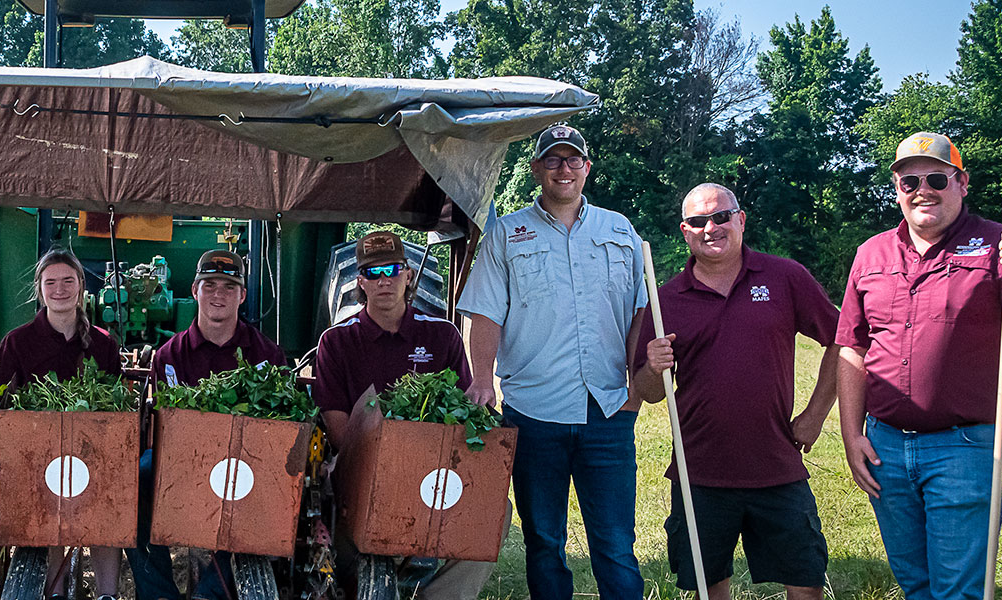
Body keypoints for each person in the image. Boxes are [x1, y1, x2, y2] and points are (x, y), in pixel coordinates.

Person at [835, 132, 1002, 600]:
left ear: (961, 183)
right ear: (896, 187)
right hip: (885, 446)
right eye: (909, 180)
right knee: (915, 582)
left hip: (966, 446)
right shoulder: (870, 253)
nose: (923, 189)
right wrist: (851, 435)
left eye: (937, 178)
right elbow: (852, 348)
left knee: (958, 589)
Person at [455, 124, 648, 600]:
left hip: (608, 411)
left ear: (587, 167)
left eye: (573, 159)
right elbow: (485, 312)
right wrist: (483, 379)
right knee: (544, 542)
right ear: (537, 168)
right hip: (534, 412)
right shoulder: (506, 234)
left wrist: (636, 389)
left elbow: (641, 311)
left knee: (616, 544)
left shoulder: (620, 230)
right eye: (554, 160)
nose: (564, 168)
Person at [631, 184, 840, 600]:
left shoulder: (785, 278)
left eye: (721, 217)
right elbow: (648, 391)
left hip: (777, 466)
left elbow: (842, 340)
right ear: (684, 231)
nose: (711, 228)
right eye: (697, 222)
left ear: (740, 220)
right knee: (709, 589)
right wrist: (654, 366)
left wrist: (815, 415)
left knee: (806, 581)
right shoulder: (665, 300)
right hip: (700, 473)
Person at [314, 230, 492, 600]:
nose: (384, 281)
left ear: (408, 275)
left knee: (493, 511)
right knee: (339, 505)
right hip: (363, 469)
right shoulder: (336, 342)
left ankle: (439, 595)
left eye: (393, 270)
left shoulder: (442, 336)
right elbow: (337, 430)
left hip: (433, 469)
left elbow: (459, 416)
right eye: (373, 273)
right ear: (360, 282)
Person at [147, 249, 288, 600]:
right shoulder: (169, 356)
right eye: (209, 285)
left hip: (247, 467)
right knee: (132, 480)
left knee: (263, 492)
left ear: (242, 295)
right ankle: (159, 591)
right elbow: (164, 427)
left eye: (229, 286)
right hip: (183, 463)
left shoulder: (268, 357)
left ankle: (209, 592)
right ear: (194, 291)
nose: (218, 294)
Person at [0, 250, 123, 600]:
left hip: (94, 453)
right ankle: (56, 592)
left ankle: (108, 593)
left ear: (81, 288)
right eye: (51, 282)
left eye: (68, 281)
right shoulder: (17, 342)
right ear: (39, 289)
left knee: (108, 502)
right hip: (37, 454)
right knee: (48, 507)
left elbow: (117, 409)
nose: (59, 289)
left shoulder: (105, 344)